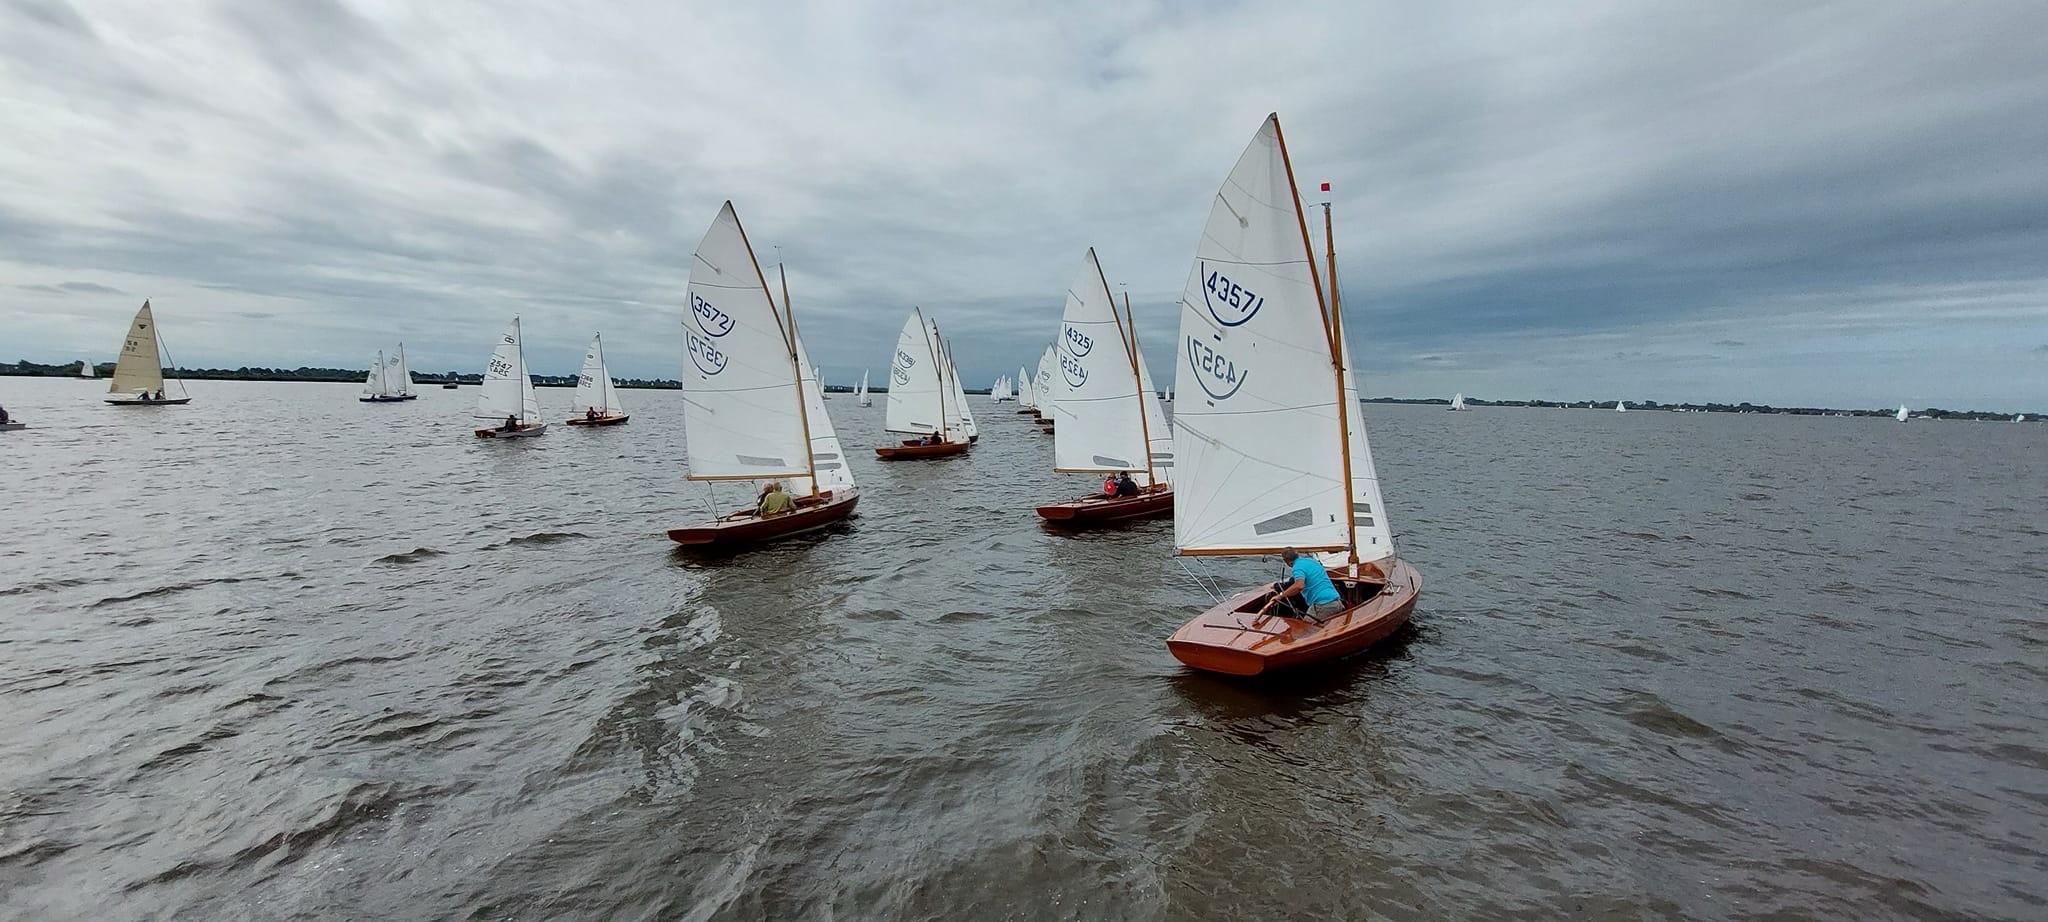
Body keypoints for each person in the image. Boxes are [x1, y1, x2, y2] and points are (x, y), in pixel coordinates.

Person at [1257, 547, 1344, 622]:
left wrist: (1280, 596)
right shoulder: (1311, 561)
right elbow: (1299, 580)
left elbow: (1299, 586)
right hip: (1336, 601)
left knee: (1306, 630)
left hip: (1323, 605)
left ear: (1286, 561)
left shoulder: (1297, 568)